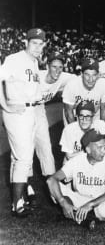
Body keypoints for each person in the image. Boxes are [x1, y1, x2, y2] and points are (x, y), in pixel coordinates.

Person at [0, 28, 46, 216]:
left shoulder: (34, 62)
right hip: (17, 110)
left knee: (18, 156)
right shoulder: (14, 59)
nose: (37, 46)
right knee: (24, 158)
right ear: (26, 43)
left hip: (31, 110)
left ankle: (22, 196)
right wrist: (5, 107)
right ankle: (17, 204)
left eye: (40, 43)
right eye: (34, 42)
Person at [47, 129, 105, 230]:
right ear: (88, 149)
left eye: (104, 146)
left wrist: (90, 205)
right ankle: (81, 216)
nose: (104, 151)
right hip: (79, 199)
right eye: (99, 147)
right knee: (53, 186)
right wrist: (62, 201)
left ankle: (77, 216)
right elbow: (51, 180)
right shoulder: (76, 161)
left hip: (99, 202)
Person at [33, 51, 75, 179]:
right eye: (54, 67)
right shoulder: (36, 76)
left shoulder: (63, 77)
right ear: (47, 66)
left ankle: (51, 181)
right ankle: (24, 185)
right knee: (24, 151)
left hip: (39, 110)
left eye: (60, 67)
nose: (57, 70)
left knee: (45, 146)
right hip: (24, 110)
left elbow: (81, 78)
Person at [62, 58, 105, 124]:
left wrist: (102, 129)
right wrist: (74, 131)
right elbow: (68, 112)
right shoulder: (71, 85)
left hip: (94, 117)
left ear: (98, 75)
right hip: (74, 118)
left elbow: (104, 109)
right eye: (87, 75)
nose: (90, 79)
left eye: (94, 75)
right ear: (81, 74)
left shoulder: (103, 84)